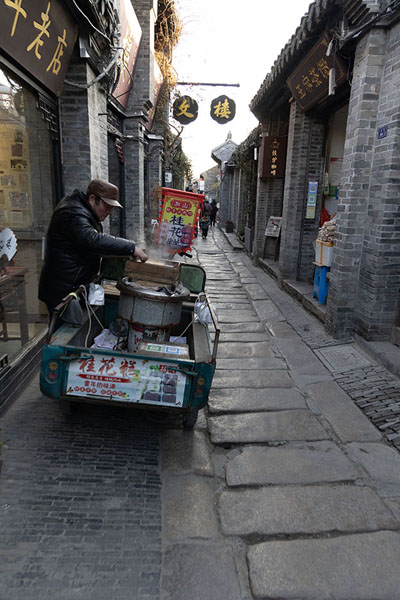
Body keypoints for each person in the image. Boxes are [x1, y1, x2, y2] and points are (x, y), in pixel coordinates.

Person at [39, 179, 148, 320]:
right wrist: (131, 247)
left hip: (76, 287)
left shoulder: (86, 212)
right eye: (107, 206)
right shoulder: (72, 212)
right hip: (63, 292)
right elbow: (93, 240)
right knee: (66, 331)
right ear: (92, 199)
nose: (109, 211)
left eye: (111, 208)